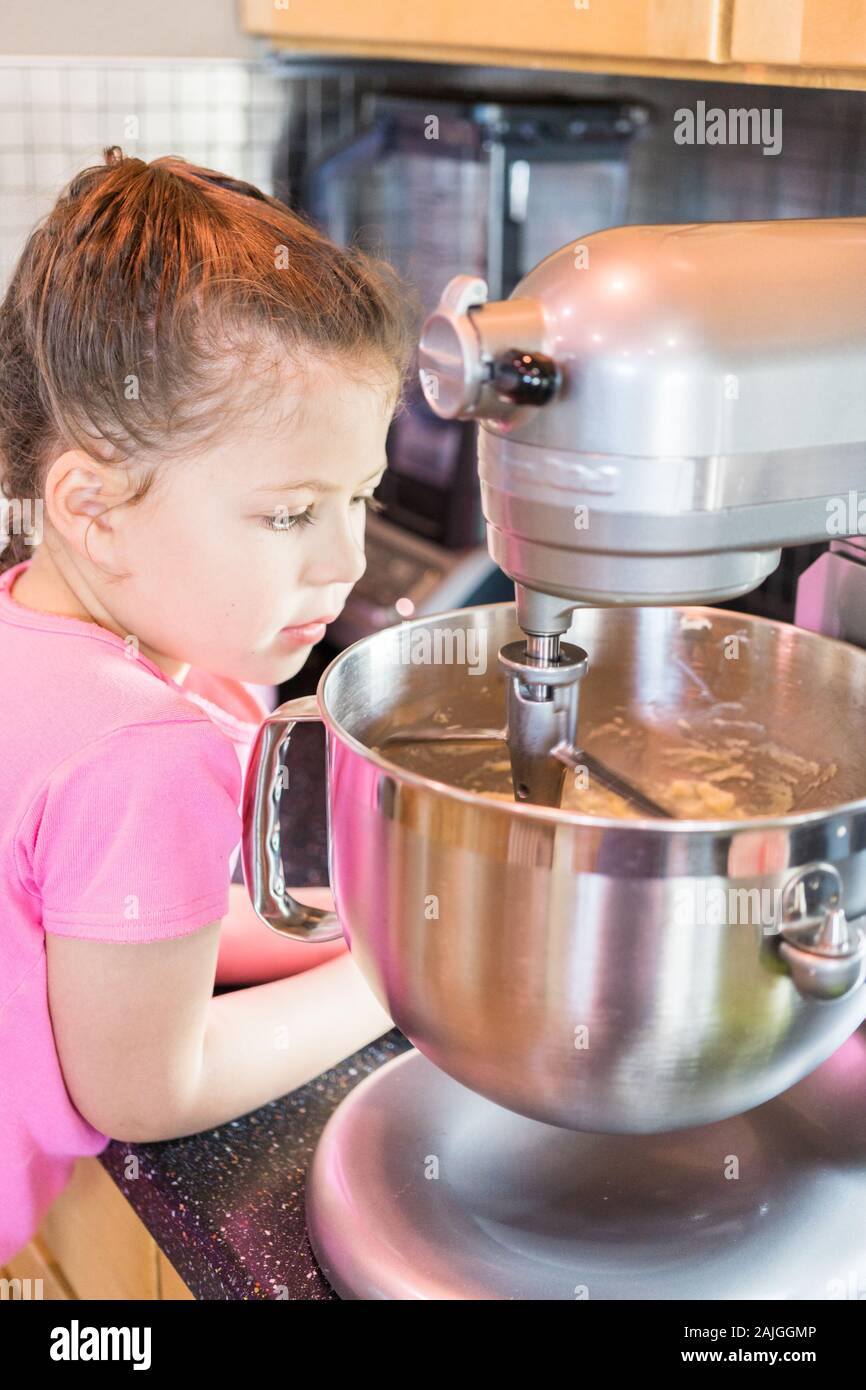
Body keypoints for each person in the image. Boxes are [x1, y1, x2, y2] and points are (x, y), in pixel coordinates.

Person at [0, 148, 421, 1263]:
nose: (346, 560)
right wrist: (396, 981)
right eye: (289, 514)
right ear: (91, 505)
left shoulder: (25, 630)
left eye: (359, 497)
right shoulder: (144, 744)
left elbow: (119, 927)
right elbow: (149, 1083)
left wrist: (358, 926)